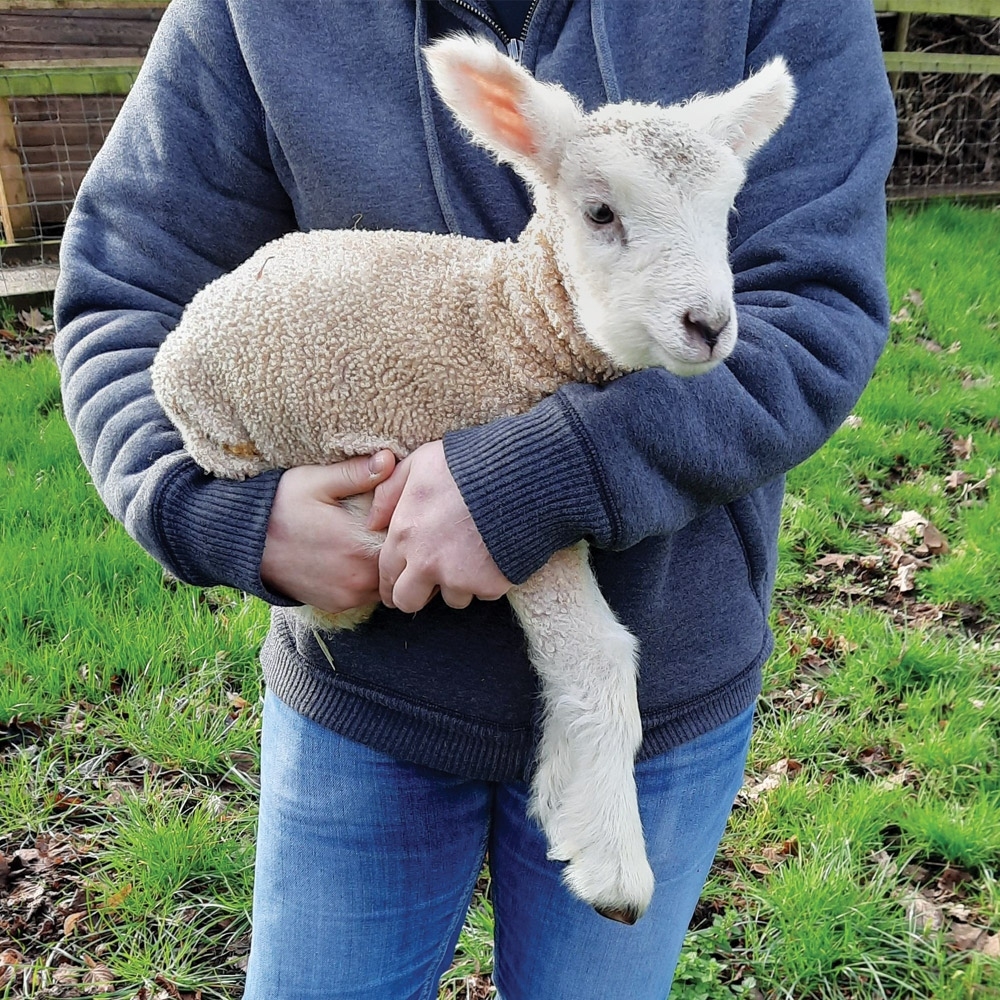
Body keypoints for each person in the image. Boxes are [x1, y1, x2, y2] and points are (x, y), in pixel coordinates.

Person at [53, 1, 897, 997]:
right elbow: (128, 279)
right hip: (364, 684)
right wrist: (215, 511)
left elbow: (815, 307)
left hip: (663, 692)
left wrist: (538, 477)